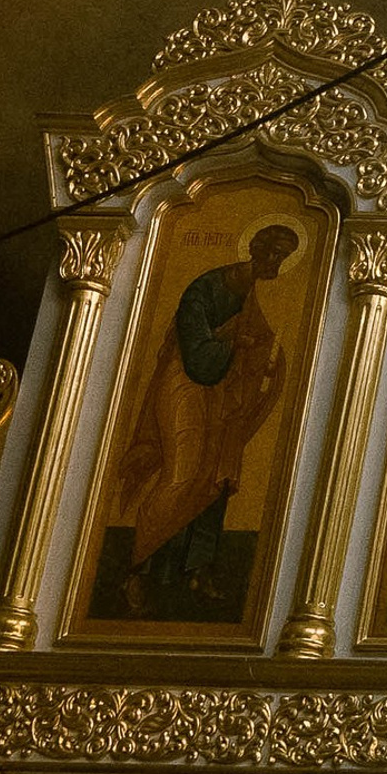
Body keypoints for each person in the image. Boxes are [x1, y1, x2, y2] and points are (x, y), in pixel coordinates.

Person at [103, 223, 303, 618]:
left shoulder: (254, 295)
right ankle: (136, 570)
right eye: (274, 253)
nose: (278, 262)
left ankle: (197, 570)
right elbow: (194, 348)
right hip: (186, 383)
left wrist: (267, 361)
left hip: (223, 394)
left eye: (284, 256)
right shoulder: (206, 288)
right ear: (257, 249)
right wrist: (232, 343)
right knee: (182, 475)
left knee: (217, 477)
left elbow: (260, 341)